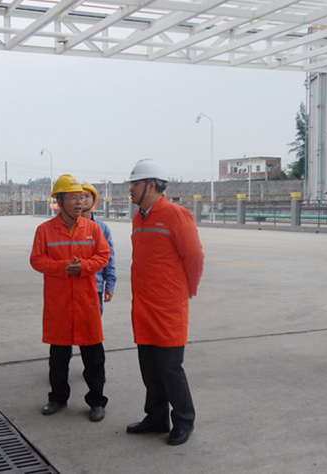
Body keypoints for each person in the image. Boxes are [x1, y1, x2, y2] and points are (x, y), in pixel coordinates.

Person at [123, 159, 204, 446]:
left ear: (152, 185)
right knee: (150, 368)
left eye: (135, 183)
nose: (130, 189)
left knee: (170, 368)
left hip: (168, 307)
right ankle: (156, 418)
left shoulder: (175, 214)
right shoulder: (138, 218)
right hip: (143, 306)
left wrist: (188, 289)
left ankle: (184, 421)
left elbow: (194, 257)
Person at [30, 174, 111, 422]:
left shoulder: (93, 229)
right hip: (59, 303)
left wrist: (84, 267)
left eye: (81, 198)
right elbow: (36, 260)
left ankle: (96, 402)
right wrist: (64, 268)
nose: (79, 203)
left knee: (94, 357)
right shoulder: (44, 230)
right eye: (73, 198)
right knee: (58, 357)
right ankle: (57, 398)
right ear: (60, 201)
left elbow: (104, 256)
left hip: (86, 302)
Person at [80, 181, 116, 315]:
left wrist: (110, 285)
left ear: (94, 200)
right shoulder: (68, 226)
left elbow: (109, 257)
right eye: (79, 196)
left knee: (93, 324)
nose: (83, 200)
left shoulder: (102, 228)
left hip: (96, 287)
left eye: (86, 196)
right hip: (73, 287)